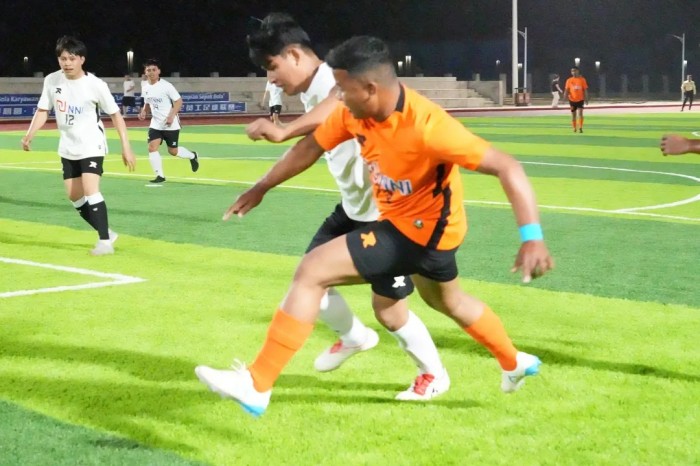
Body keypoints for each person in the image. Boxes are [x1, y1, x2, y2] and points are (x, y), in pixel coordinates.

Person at [195, 35, 553, 417]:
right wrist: (262, 187)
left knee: (312, 271)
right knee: (448, 302)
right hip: (422, 229)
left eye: (342, 89)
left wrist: (532, 237)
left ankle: (257, 384)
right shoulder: (355, 113)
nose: (337, 98)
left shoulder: (427, 125)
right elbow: (310, 147)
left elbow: (507, 166)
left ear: (369, 88)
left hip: (420, 233)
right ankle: (513, 361)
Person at [241, 13, 449, 401]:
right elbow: (309, 147)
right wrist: (262, 186)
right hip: (354, 209)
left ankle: (434, 375)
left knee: (389, 311)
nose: (271, 79)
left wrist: (285, 129)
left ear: (294, 54)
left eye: (272, 67)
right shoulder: (311, 93)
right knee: (309, 280)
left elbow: (334, 106)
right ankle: (353, 337)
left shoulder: (336, 80)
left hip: (390, 217)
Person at [21, 36, 136, 256]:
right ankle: (107, 232)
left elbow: (116, 115)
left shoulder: (95, 85)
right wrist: (29, 134)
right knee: (75, 197)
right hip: (68, 146)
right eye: (63, 58)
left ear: (82, 59)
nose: (67, 63)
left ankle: (104, 243)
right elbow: (43, 110)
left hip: (91, 144)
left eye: (72, 58)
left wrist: (126, 147)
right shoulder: (52, 81)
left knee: (91, 190)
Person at [138, 58, 199, 184]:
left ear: (159, 71)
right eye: (148, 70)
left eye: (153, 70)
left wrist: (171, 116)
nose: (151, 72)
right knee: (152, 147)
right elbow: (147, 102)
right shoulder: (145, 86)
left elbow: (179, 101)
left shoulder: (166, 86)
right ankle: (160, 176)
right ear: (145, 72)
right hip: (156, 123)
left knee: (173, 151)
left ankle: (192, 156)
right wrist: (144, 111)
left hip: (170, 124)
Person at [563, 66, 588, 133]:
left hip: (580, 99)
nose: (573, 72)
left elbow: (585, 90)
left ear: (578, 71)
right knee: (573, 114)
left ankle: (580, 127)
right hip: (572, 100)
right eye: (572, 71)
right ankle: (574, 128)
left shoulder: (582, 80)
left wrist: (586, 98)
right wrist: (564, 98)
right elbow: (566, 90)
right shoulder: (569, 80)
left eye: (575, 71)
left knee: (580, 113)